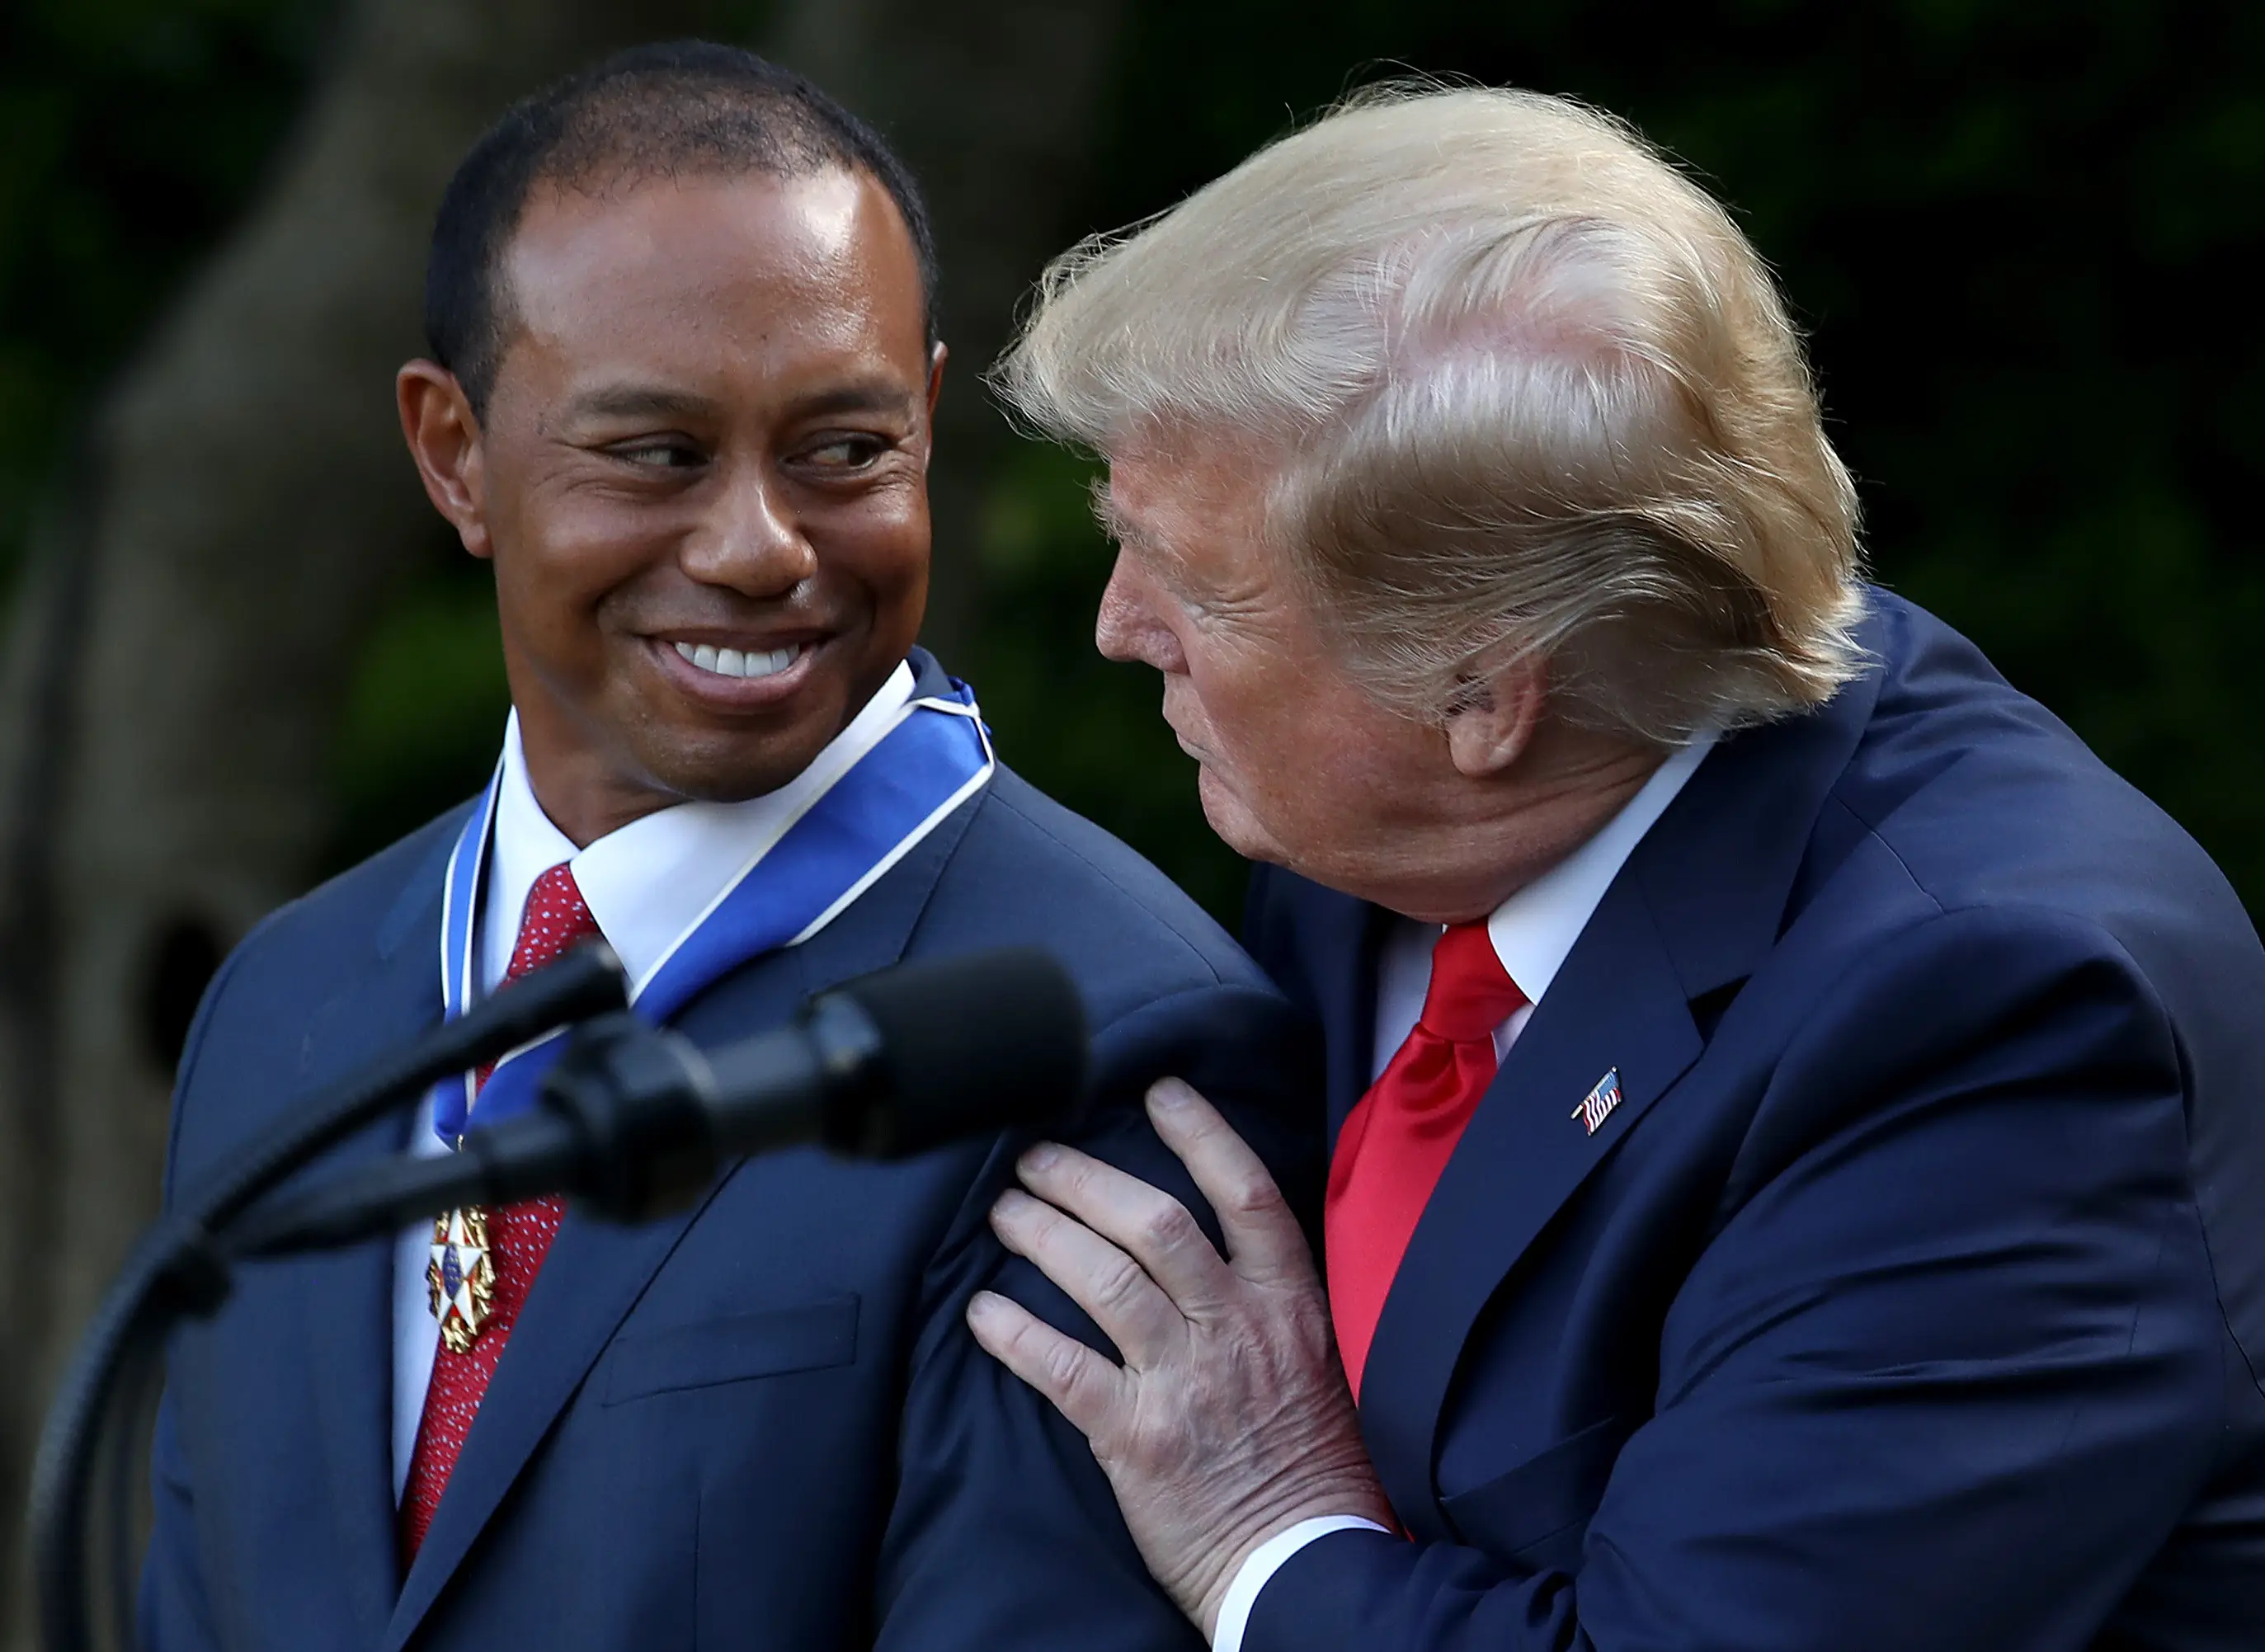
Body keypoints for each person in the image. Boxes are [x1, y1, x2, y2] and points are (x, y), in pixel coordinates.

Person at [965, 83, 2265, 1651]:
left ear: (1482, 696)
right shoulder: (1391, 820)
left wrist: (1266, 1538)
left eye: (1195, 584)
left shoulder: (1986, 1018)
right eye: (1122, 533)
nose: (1118, 625)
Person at [142, 43, 1314, 1652]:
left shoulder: (1097, 1023)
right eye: (657, 454)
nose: (760, 548)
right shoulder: (287, 1004)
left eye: (843, 449)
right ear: (454, 453)